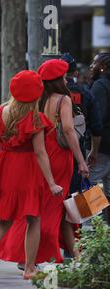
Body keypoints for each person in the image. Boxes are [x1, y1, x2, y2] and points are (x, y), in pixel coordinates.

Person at [0, 70, 63, 282]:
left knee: (5, 219)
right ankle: (29, 268)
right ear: (36, 94)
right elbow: (40, 152)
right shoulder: (35, 118)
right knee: (34, 219)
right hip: (26, 171)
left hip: (4, 169)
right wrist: (51, 182)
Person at [60, 53, 102, 256]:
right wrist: (93, 150)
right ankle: (75, 248)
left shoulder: (51, 95)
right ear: (75, 72)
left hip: (55, 154)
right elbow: (96, 126)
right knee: (76, 197)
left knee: (56, 200)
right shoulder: (85, 93)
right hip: (79, 152)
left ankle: (53, 246)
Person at [89, 53, 110, 224]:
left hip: (102, 146)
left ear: (102, 67)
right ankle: (106, 228)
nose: (91, 66)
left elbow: (98, 118)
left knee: (89, 183)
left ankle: (92, 226)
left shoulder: (99, 86)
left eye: (94, 63)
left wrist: (93, 148)